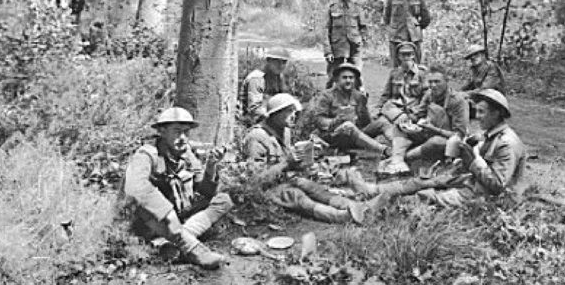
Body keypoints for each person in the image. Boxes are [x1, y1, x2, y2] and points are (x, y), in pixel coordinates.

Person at [349, 89, 526, 207]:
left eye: (482, 112)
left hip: (491, 199)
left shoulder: (506, 143)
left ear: (496, 114)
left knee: (426, 196)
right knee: (424, 180)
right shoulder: (490, 135)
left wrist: (473, 161)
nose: (477, 118)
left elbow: (497, 186)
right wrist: (459, 162)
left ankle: (373, 206)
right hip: (475, 182)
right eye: (477, 111)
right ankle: (372, 190)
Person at [242, 93, 388, 224]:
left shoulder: (284, 131)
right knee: (295, 195)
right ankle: (341, 216)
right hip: (268, 190)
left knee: (310, 186)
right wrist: (286, 163)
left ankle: (356, 206)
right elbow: (255, 182)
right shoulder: (257, 138)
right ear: (275, 114)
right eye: (289, 112)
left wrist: (303, 161)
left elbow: (289, 163)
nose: (294, 115)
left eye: (295, 111)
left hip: (286, 179)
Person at [124, 107, 233, 269]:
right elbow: (135, 187)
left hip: (178, 218)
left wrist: (211, 167)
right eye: (176, 131)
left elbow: (205, 193)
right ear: (162, 131)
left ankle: (174, 241)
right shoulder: (147, 154)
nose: (182, 138)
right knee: (145, 208)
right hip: (153, 221)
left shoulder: (186, 154)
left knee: (223, 200)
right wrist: (166, 211)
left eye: (186, 132)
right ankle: (193, 248)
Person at [384, 65, 469, 173]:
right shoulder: (429, 94)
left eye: (437, 82)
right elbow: (419, 114)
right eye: (430, 82)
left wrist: (433, 128)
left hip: (446, 140)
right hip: (427, 132)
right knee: (399, 126)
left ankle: (402, 158)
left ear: (447, 81)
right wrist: (407, 119)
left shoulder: (458, 101)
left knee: (435, 142)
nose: (433, 85)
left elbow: (458, 135)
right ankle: (398, 161)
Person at [314, 63, 390, 155]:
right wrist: (336, 120)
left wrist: (364, 105)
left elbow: (366, 122)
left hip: (356, 134)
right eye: (344, 77)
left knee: (382, 122)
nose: (348, 80)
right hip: (335, 136)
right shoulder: (327, 95)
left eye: (351, 78)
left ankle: (400, 146)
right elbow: (319, 120)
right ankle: (384, 150)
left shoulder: (358, 96)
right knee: (348, 125)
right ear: (337, 79)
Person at [363, 42, 426, 142]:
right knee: (373, 127)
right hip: (394, 111)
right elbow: (386, 95)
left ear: (413, 55)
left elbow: (427, 98)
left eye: (409, 54)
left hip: (413, 113)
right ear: (398, 56)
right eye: (403, 54)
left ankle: (399, 145)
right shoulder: (394, 73)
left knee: (403, 131)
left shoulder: (421, 74)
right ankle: (353, 139)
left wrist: (417, 114)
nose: (406, 57)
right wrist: (377, 109)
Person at [323, 0, 368, 89]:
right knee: (332, 77)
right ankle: (326, 99)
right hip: (337, 46)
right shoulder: (332, 8)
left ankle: (359, 99)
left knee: (357, 75)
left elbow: (363, 28)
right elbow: (325, 30)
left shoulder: (357, 8)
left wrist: (362, 44)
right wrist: (328, 51)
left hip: (354, 46)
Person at [384, 0, 431, 67]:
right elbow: (386, 17)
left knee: (416, 66)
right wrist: (393, 28)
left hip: (414, 37)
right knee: (395, 67)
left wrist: (417, 26)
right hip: (396, 37)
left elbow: (426, 17)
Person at [239, 48, 291, 125]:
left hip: (269, 116)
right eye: (277, 62)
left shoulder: (279, 76)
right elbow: (254, 109)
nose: (280, 65)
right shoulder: (257, 78)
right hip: (252, 121)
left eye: (284, 62)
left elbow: (282, 99)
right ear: (268, 61)